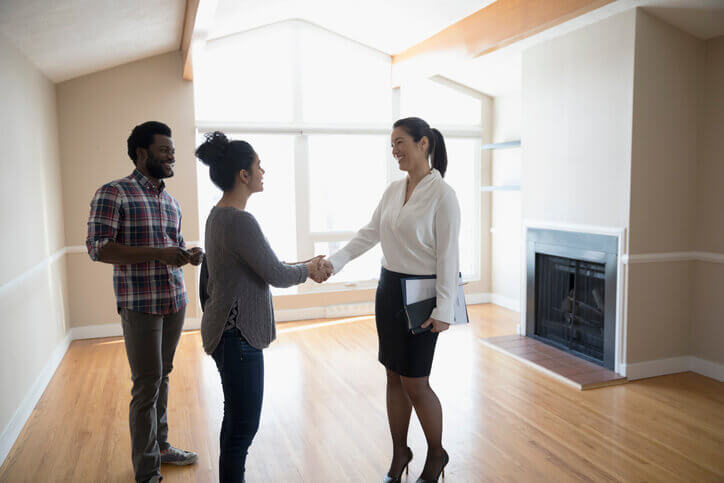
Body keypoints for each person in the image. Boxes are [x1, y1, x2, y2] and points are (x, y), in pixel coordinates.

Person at [324, 117, 459, 483]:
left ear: (423, 143)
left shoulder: (443, 195)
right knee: (393, 378)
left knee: (416, 382)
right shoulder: (391, 191)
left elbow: (448, 256)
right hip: (388, 291)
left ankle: (436, 454)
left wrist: (444, 310)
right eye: (392, 145)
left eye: (401, 142)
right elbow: (370, 234)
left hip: (422, 296)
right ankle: (400, 451)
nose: (395, 150)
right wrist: (334, 262)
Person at [196, 131, 331, 483]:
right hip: (237, 336)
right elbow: (274, 273)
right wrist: (309, 270)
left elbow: (261, 266)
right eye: (258, 166)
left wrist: (305, 265)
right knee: (243, 427)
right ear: (243, 174)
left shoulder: (218, 215)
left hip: (225, 332)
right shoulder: (240, 220)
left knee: (235, 420)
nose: (263, 171)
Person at [86, 121, 202, 483]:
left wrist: (186, 254)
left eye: (172, 150)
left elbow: (172, 246)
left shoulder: (170, 201)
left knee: (162, 376)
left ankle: (162, 446)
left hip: (175, 300)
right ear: (142, 153)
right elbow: (98, 249)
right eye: (165, 149)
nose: (172, 156)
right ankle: (147, 470)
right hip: (140, 304)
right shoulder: (113, 193)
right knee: (147, 384)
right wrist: (158, 254)